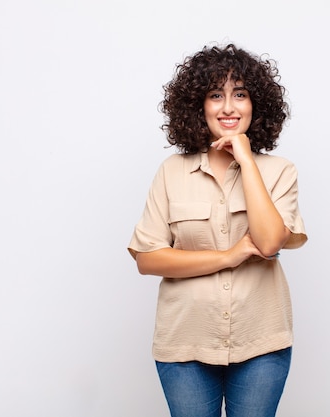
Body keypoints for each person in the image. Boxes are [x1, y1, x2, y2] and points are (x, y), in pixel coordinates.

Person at [128, 43, 308, 417]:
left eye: (239, 94)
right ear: (199, 106)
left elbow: (271, 240)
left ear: (256, 104)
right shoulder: (171, 172)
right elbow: (147, 258)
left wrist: (245, 157)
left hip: (261, 342)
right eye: (216, 95)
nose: (228, 107)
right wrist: (229, 256)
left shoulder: (279, 171)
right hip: (185, 344)